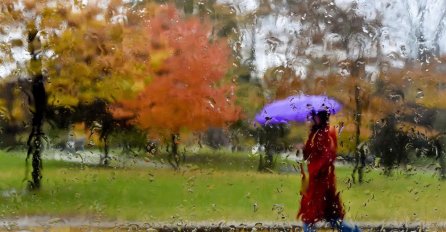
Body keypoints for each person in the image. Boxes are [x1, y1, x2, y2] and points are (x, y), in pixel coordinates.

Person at [297, 109, 360, 232]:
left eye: (314, 117)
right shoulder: (315, 133)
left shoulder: (327, 133)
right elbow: (309, 155)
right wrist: (304, 148)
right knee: (332, 217)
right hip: (316, 182)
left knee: (311, 216)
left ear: (320, 117)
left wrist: (317, 169)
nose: (312, 119)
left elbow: (328, 157)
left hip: (322, 183)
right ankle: (354, 231)